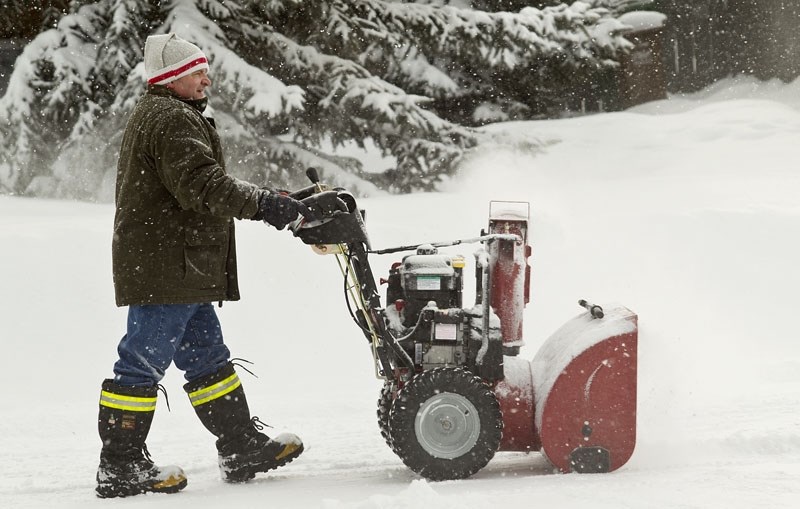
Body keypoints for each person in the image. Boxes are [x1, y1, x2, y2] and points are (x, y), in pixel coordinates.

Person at [95, 33, 314, 498]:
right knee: (140, 362)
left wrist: (271, 199)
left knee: (206, 357)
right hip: (165, 263)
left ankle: (238, 447)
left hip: (179, 263)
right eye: (197, 72)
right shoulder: (170, 118)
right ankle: (119, 464)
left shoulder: (167, 112)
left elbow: (200, 183)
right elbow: (203, 186)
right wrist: (265, 205)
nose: (207, 79)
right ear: (173, 77)